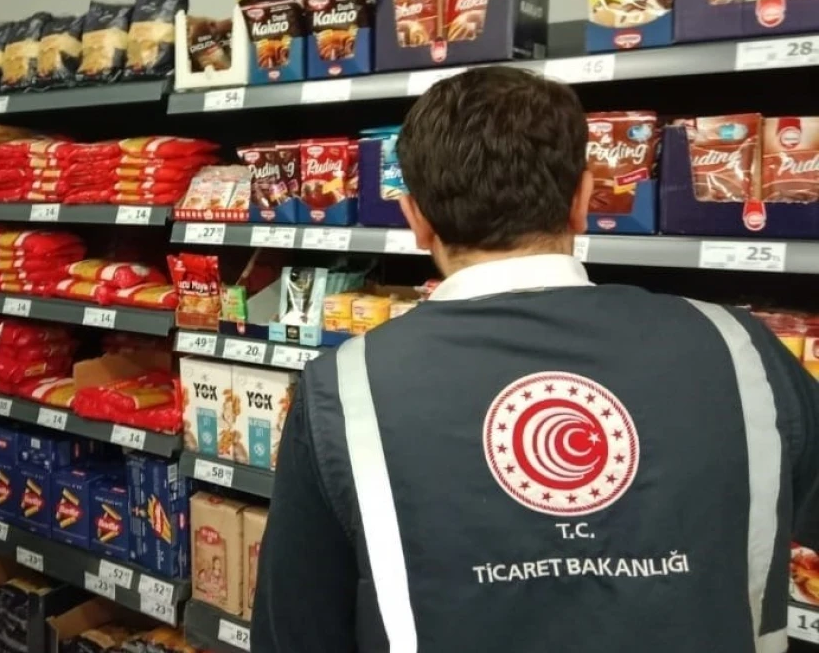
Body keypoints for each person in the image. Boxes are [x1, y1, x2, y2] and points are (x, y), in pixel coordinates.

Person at [252, 66, 818, 653]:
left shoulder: (344, 391)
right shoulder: (739, 349)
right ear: (583, 199)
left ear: (415, 218)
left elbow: (294, 631)